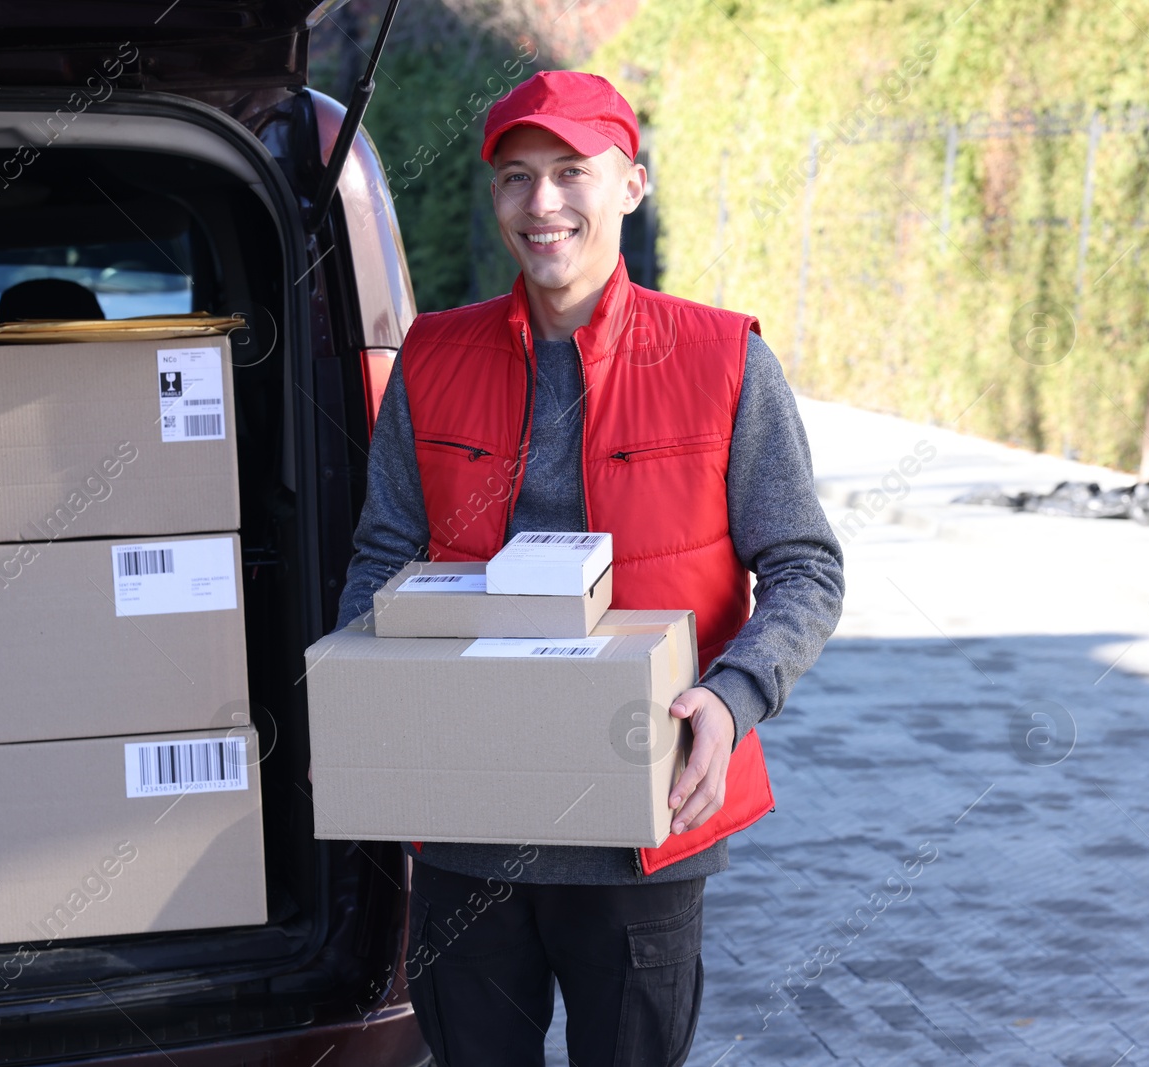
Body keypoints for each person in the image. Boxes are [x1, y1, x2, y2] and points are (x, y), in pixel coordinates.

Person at [335, 69, 845, 1066]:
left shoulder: (722, 359)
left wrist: (732, 697)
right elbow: (383, 554)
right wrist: (363, 708)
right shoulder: (432, 359)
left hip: (640, 828)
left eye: (571, 171)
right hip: (461, 824)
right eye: (516, 177)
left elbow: (805, 566)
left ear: (631, 185)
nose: (543, 204)